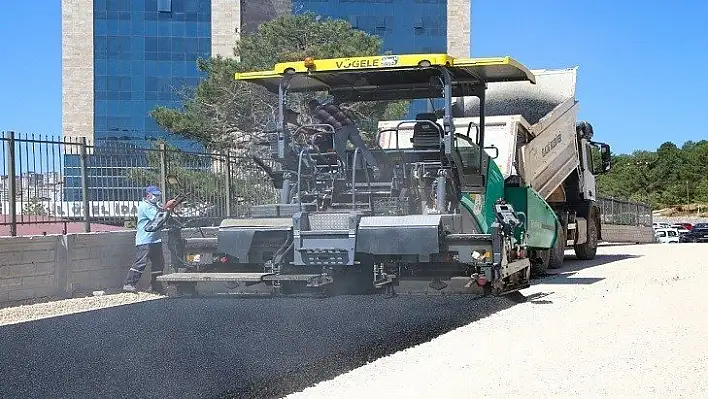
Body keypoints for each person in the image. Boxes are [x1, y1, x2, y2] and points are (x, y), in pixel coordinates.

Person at [307, 99, 381, 178]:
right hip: (351, 126)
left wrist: (315, 137)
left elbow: (324, 129)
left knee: (339, 151)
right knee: (363, 148)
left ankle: (345, 171)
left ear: (311, 108)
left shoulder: (317, 114)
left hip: (339, 130)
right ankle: (375, 167)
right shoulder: (331, 106)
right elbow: (345, 115)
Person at [122, 185, 176, 294]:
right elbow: (158, 218)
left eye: (158, 195)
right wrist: (167, 207)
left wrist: (169, 209)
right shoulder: (144, 206)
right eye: (154, 195)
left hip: (155, 240)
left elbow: (164, 216)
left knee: (159, 263)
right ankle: (129, 284)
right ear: (148, 195)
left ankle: (155, 286)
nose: (157, 197)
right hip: (145, 240)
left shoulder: (157, 205)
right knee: (141, 262)